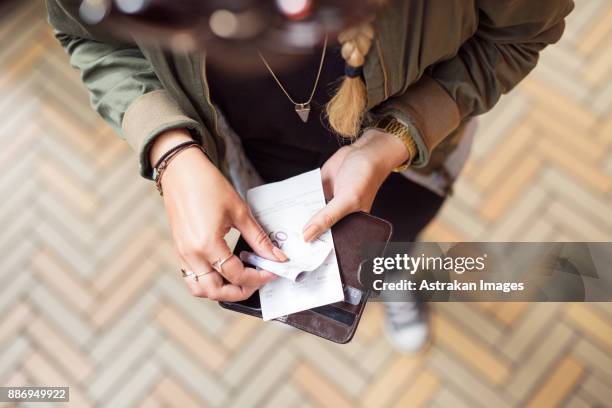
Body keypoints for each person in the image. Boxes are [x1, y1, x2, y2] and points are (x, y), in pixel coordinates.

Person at [46, 0, 573, 352]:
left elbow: (519, 35)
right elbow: (92, 40)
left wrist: (396, 137)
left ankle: (392, 282)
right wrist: (171, 151)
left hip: (412, 168)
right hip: (243, 162)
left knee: (393, 246)